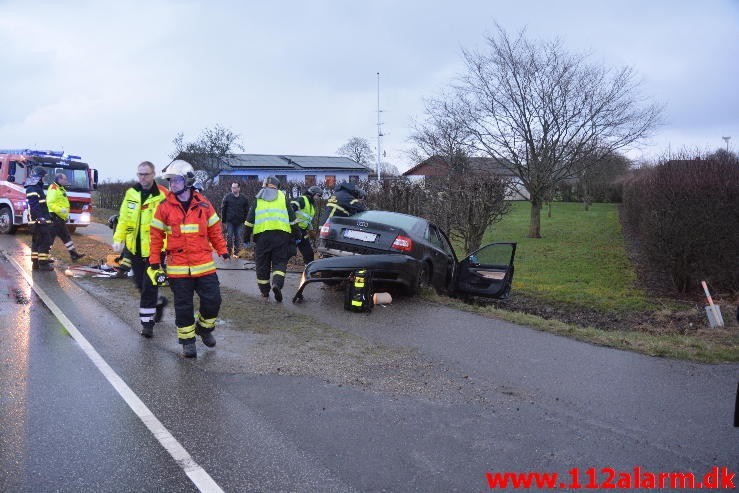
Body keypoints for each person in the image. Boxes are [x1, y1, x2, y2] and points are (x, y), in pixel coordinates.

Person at [149, 160, 229, 358]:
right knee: (183, 306)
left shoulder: (203, 204)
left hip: (204, 265)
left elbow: (214, 230)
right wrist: (154, 261)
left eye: (176, 180)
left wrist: (222, 249)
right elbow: (156, 236)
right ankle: (187, 341)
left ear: (188, 181)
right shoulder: (164, 207)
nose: (172, 185)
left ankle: (204, 328)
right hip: (178, 267)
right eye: (170, 181)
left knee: (213, 300)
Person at [112, 161, 169, 338]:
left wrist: (167, 247)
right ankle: (158, 304)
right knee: (139, 284)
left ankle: (147, 324)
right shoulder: (131, 193)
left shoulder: (163, 195)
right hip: (134, 249)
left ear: (153, 175)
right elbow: (123, 219)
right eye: (140, 174)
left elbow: (169, 223)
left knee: (149, 287)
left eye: (146, 174)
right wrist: (118, 239)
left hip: (155, 250)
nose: (142, 178)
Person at [244, 176, 300, 302]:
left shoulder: (258, 198)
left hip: (262, 237)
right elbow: (292, 218)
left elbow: (249, 221)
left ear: (265, 186)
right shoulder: (282, 197)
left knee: (262, 265)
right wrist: (297, 235)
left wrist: (246, 237)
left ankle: (264, 292)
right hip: (282, 236)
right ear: (277, 186)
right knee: (280, 262)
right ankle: (277, 284)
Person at [46, 172, 85, 262]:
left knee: (66, 237)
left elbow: (61, 202)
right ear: (59, 179)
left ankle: (74, 255)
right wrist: (61, 210)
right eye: (65, 179)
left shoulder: (60, 188)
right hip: (55, 218)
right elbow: (50, 203)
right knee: (50, 239)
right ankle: (44, 257)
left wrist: (65, 214)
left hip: (60, 218)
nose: (66, 181)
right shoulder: (54, 188)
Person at [25, 168, 55, 271]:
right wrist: (40, 217)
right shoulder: (33, 188)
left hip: (37, 221)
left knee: (37, 242)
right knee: (45, 241)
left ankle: (36, 263)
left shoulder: (35, 187)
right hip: (38, 221)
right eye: (43, 177)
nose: (44, 179)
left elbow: (40, 205)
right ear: (38, 177)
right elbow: (34, 205)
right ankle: (43, 263)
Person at [290, 185, 322, 264]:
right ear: (312, 193)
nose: (318, 198)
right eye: (318, 195)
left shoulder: (311, 205)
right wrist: (293, 225)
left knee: (309, 253)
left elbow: (308, 220)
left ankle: (308, 271)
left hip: (302, 231)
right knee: (287, 251)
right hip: (293, 230)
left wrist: (311, 231)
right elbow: (290, 211)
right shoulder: (302, 199)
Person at [220, 181, 250, 257]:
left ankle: (236, 253)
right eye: (232, 187)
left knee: (238, 237)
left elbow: (247, 210)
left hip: (239, 222)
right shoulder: (227, 197)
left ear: (239, 188)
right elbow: (223, 209)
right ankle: (228, 252)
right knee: (229, 236)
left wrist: (245, 220)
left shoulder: (243, 198)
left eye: (235, 187)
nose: (233, 189)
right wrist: (223, 220)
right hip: (230, 221)